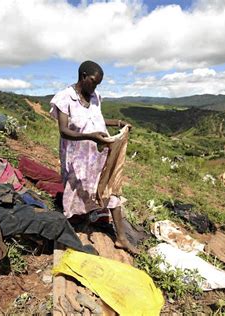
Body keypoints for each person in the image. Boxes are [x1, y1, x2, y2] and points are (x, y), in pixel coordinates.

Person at [50, 60, 138, 254]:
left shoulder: (96, 97)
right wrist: (90, 136)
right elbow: (64, 131)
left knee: (108, 188)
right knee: (75, 190)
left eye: (98, 83)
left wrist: (117, 122)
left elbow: (94, 119)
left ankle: (121, 238)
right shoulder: (65, 98)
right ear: (83, 76)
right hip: (77, 157)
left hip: (98, 153)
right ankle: (68, 230)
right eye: (93, 82)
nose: (95, 86)